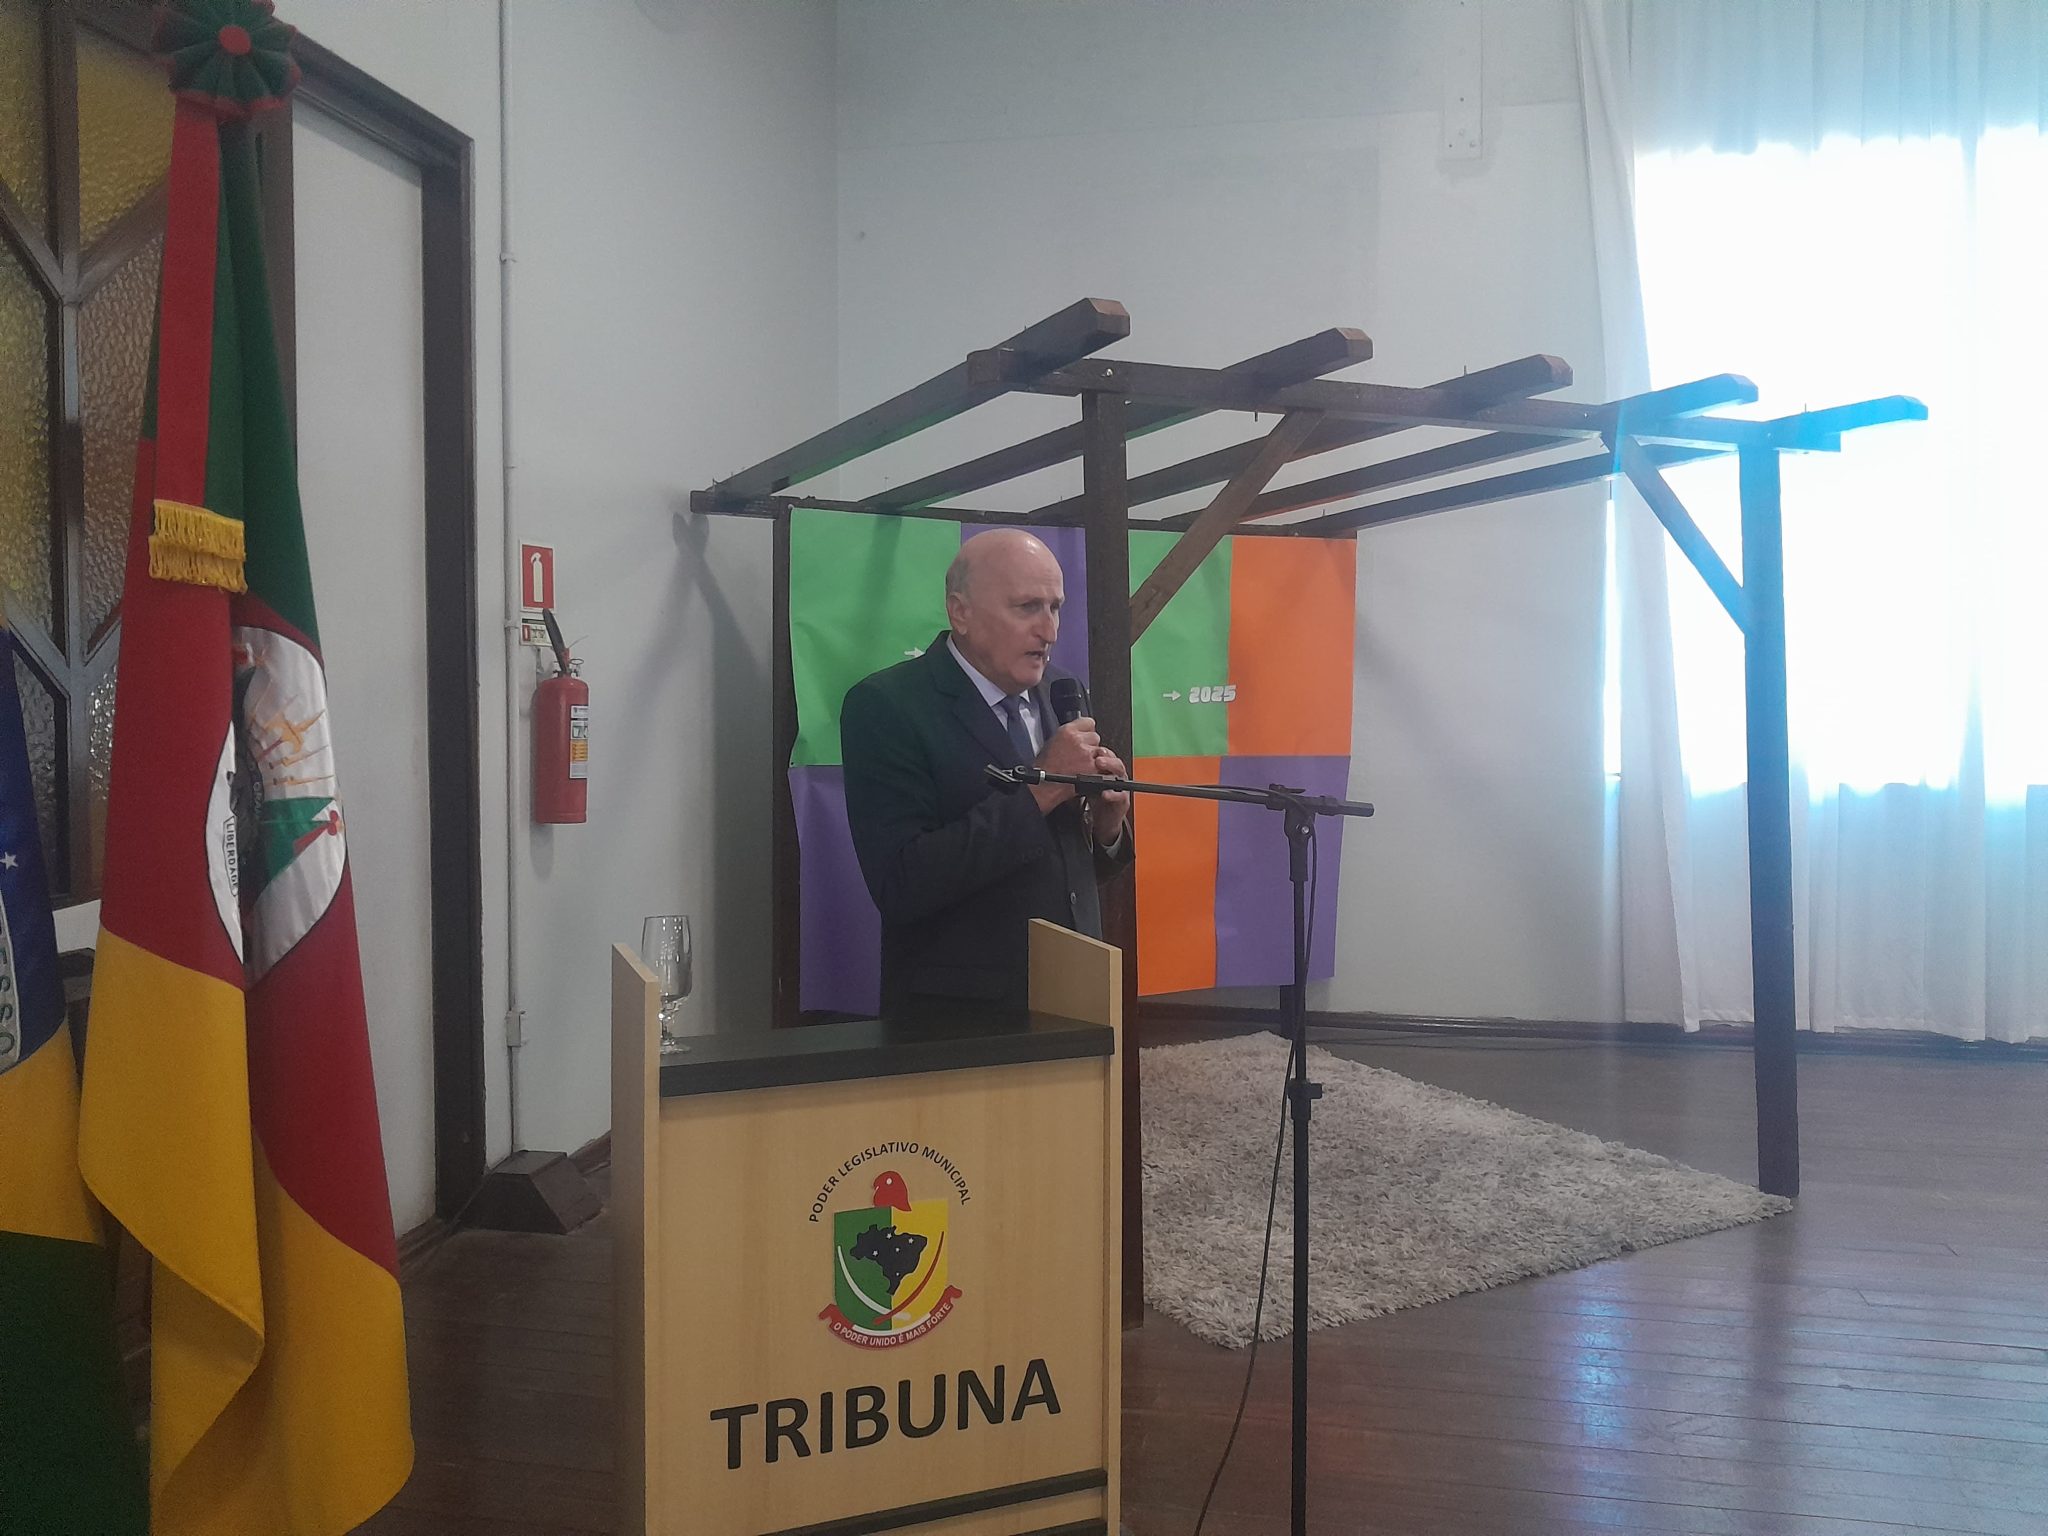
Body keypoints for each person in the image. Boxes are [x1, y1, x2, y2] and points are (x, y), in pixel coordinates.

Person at [840, 528, 1133, 1014]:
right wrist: (1043, 789)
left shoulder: (1062, 688)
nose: (1049, 631)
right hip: (960, 1014)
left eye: (1055, 607)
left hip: (1074, 991)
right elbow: (902, 883)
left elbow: (1064, 866)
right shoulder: (888, 705)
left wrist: (1106, 829)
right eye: (1027, 607)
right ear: (961, 613)